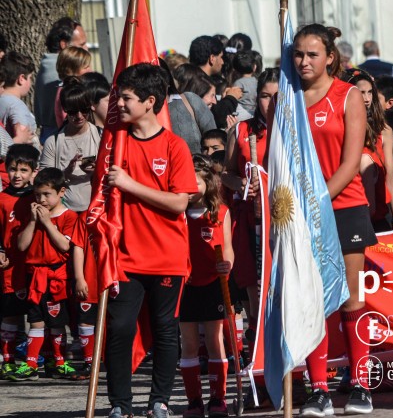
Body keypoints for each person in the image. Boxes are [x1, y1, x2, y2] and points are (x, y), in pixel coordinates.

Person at [103, 63, 198, 418]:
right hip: (125, 256)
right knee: (121, 328)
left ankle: (159, 401)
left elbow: (179, 202)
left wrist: (130, 185)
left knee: (164, 330)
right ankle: (119, 405)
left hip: (167, 256)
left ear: (149, 101)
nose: (120, 104)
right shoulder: (116, 143)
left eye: (126, 98)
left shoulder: (175, 146)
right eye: (119, 96)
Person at [294, 24, 375, 416]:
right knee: (314, 302)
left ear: (330, 57)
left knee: (350, 299)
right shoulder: (286, 100)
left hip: (343, 207)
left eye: (312, 54)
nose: (304, 61)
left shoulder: (349, 95)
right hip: (301, 213)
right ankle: (319, 389)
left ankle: (360, 385)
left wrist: (317, 202)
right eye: (298, 54)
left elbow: (350, 162)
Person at [10, 168, 83, 380]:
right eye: (37, 194)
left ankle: (59, 361)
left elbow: (64, 246)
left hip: (56, 278)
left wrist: (48, 223)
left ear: (61, 192)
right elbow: (22, 245)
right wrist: (33, 221)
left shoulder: (68, 217)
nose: (41, 199)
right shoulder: (30, 215)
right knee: (36, 321)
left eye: (46, 194)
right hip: (35, 277)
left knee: (57, 322)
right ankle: (31, 363)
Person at [221, 68, 279, 337]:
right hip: (250, 219)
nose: (271, 102)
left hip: (283, 219)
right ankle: (257, 351)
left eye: (278, 96)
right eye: (265, 96)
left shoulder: (298, 133)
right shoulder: (243, 131)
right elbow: (226, 173)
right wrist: (242, 183)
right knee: (253, 287)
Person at [180, 154, 234, 418]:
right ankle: (193, 401)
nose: (191, 189)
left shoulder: (220, 212)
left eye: (196, 183)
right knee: (188, 344)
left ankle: (218, 398)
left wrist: (227, 264)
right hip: (185, 285)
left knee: (215, 340)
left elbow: (229, 249)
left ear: (208, 184)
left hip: (213, 283)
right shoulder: (176, 213)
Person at [342, 70, 393, 233]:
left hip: (380, 218)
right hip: (353, 214)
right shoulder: (342, 128)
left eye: (370, 92)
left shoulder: (384, 131)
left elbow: (390, 177)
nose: (367, 98)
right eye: (361, 93)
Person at [0, 144, 39, 379]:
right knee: (11, 314)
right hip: (10, 267)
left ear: (33, 172)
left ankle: (36, 360)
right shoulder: (2, 199)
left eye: (24, 170)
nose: (17, 175)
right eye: (13, 169)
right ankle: (8, 360)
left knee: (38, 315)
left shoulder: (38, 196)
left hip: (35, 265)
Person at [40, 78, 101, 213]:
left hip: (97, 211)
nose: (79, 116)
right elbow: (43, 183)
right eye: (73, 112)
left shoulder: (101, 136)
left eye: (84, 110)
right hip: (65, 215)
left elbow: (115, 173)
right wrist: (65, 173)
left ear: (90, 106)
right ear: (65, 110)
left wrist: (97, 171)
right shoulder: (53, 142)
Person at [35, 17, 88, 143]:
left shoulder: (48, 64)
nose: (86, 48)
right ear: (64, 44)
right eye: (81, 45)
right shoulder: (56, 69)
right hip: (60, 136)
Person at [0, 52, 37, 145]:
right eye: (30, 78)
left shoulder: (2, 100)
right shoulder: (16, 106)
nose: (31, 82)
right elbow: (23, 139)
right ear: (21, 79)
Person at [53, 46, 93, 127]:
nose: (90, 70)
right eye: (86, 67)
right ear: (71, 70)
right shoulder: (66, 92)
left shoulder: (81, 87)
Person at [229, 50, 258, 116]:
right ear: (254, 67)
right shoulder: (257, 81)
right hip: (255, 112)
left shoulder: (238, 83)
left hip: (241, 112)